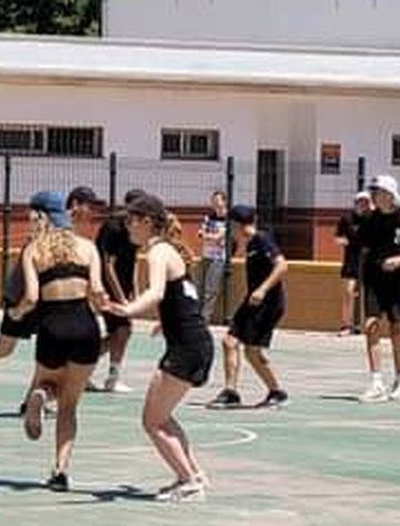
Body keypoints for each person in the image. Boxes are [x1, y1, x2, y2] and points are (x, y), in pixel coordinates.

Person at [0, 187, 99, 415]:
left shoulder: (60, 232)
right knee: (3, 347)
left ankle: (31, 400)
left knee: (27, 347)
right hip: (26, 293)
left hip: (49, 298)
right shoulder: (44, 239)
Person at [102, 194, 211, 503]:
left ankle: (189, 481)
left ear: (146, 222)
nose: (126, 227)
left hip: (187, 347)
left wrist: (127, 310)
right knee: (162, 417)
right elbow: (181, 296)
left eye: (130, 221)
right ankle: (192, 474)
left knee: (152, 421)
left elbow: (156, 292)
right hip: (193, 342)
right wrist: (165, 321)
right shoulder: (168, 251)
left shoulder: (158, 253)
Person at [7, 192, 104, 492]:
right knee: (70, 406)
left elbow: (32, 298)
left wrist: (17, 311)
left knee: (49, 382)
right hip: (85, 328)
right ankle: (61, 471)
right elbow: (97, 292)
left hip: (53, 327)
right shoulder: (87, 247)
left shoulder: (33, 250)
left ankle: (39, 395)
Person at [207, 205, 289, 409]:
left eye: (231, 226)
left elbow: (282, 265)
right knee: (229, 341)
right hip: (252, 301)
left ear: (236, 225)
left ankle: (276, 392)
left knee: (251, 351)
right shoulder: (251, 243)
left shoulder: (262, 239)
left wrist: (262, 290)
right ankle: (231, 392)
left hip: (267, 303)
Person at [356, 175, 400, 403]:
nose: (373, 194)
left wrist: (399, 260)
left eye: (378, 190)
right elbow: (361, 251)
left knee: (396, 331)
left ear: (390, 194)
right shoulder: (369, 220)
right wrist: (358, 281)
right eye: (372, 190)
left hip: (398, 284)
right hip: (374, 282)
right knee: (371, 326)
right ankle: (376, 381)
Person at [92, 189, 147, 394]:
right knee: (122, 330)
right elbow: (108, 266)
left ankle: (82, 364)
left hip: (122, 284)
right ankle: (112, 378)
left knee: (118, 332)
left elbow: (133, 261)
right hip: (104, 284)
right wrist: (120, 297)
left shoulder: (135, 228)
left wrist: (136, 292)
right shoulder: (113, 227)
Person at [335, 192, 371, 336]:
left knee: (369, 294)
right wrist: (345, 242)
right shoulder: (346, 218)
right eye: (361, 201)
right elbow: (338, 237)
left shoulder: (373, 219)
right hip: (352, 259)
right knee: (348, 291)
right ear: (355, 202)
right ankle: (346, 325)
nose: (363, 204)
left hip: (369, 260)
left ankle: (365, 326)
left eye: (366, 202)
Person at [199, 191, 230, 323]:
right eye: (213, 200)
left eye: (218, 200)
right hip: (206, 255)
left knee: (211, 289)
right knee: (199, 286)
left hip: (218, 258)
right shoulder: (209, 217)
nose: (215, 203)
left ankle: (205, 318)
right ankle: (198, 315)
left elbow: (219, 238)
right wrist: (210, 237)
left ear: (224, 202)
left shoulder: (229, 219)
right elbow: (200, 234)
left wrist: (208, 236)